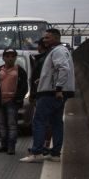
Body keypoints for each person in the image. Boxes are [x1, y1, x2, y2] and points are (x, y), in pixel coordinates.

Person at [21, 29, 74, 163]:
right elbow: (56, 70)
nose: (44, 40)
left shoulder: (57, 51)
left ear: (56, 38)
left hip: (51, 93)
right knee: (56, 122)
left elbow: (63, 68)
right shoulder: (60, 50)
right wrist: (44, 80)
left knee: (39, 121)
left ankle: (37, 152)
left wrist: (58, 88)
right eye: (44, 38)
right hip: (54, 91)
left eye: (47, 38)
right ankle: (55, 153)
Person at [0, 48, 28, 155]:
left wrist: (17, 99)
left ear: (15, 58)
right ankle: (3, 145)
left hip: (12, 102)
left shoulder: (20, 71)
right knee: (1, 124)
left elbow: (24, 87)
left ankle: (11, 147)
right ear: (3, 58)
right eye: (7, 56)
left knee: (12, 125)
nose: (10, 58)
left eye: (12, 56)